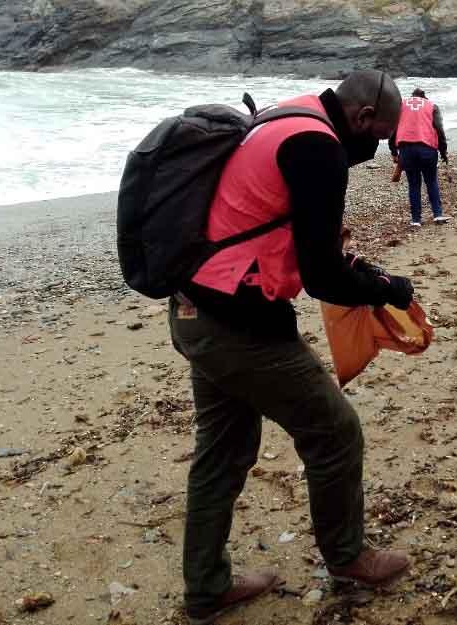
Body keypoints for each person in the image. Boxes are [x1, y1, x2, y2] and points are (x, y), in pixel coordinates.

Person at [170, 70, 414, 625]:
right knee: (334, 433)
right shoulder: (318, 148)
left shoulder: (292, 113)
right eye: (380, 137)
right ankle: (348, 557)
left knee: (222, 452)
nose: (376, 151)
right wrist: (388, 289)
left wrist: (360, 270)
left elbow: (293, 235)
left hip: (194, 307)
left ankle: (206, 588)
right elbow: (323, 275)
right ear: (361, 119)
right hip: (240, 324)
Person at [389, 88, 450, 227]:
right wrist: (443, 151)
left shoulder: (401, 105)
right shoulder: (431, 106)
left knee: (414, 184)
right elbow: (439, 129)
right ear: (424, 97)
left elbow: (393, 129)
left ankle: (416, 220)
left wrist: (393, 151)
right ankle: (438, 215)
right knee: (431, 181)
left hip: (406, 149)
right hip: (427, 148)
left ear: (412, 96)